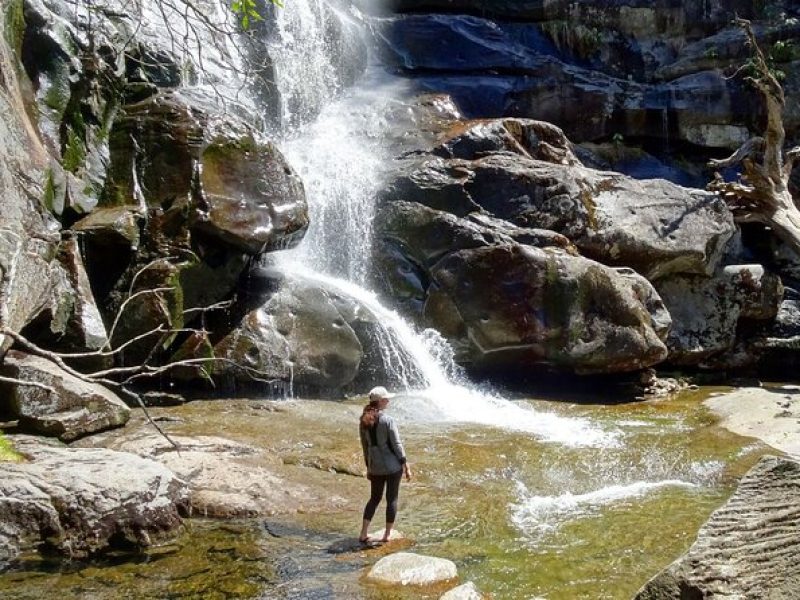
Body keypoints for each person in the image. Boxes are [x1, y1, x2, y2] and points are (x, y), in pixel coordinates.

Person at [358, 386, 412, 544]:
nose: (388, 401)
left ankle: (363, 533)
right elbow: (396, 444)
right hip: (392, 467)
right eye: (386, 399)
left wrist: (369, 467)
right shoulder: (388, 420)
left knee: (374, 499)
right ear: (380, 401)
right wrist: (405, 465)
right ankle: (387, 535)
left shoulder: (363, 421)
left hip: (375, 467)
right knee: (392, 499)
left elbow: (364, 446)